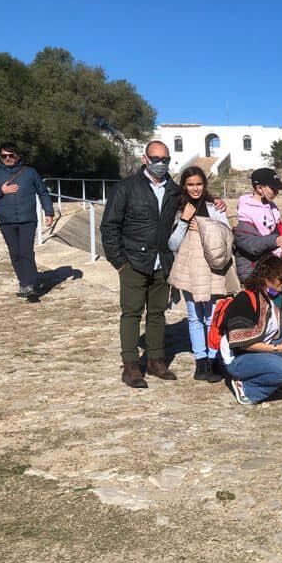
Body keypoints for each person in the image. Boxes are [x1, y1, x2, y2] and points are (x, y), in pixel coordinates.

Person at [100, 140, 182, 389]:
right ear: (144, 158)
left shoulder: (174, 190)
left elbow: (196, 203)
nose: (160, 164)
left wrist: (216, 203)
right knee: (132, 313)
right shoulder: (126, 188)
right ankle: (131, 366)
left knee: (157, 313)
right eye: (155, 159)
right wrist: (120, 262)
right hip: (133, 262)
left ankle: (156, 360)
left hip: (162, 261)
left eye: (164, 160)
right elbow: (110, 226)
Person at [167, 166, 240, 382]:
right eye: (190, 184)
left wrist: (211, 229)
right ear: (184, 186)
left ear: (204, 184)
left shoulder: (214, 207)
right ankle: (201, 362)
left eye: (199, 184)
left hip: (213, 269)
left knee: (212, 315)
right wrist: (183, 222)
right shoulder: (179, 209)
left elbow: (228, 238)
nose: (195, 188)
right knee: (194, 316)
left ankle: (214, 356)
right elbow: (172, 244)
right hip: (189, 268)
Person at [220, 255, 282, 405]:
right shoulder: (245, 300)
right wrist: (278, 348)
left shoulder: (277, 296)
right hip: (239, 358)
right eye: (281, 278)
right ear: (266, 277)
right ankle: (247, 387)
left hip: (262, 348)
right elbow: (241, 343)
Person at [0, 141, 54, 299]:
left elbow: (43, 192)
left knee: (26, 251)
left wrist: (49, 212)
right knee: (15, 253)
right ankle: (23, 283)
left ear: (17, 155)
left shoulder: (30, 172)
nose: (7, 158)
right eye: (4, 156)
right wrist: (0, 191)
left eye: (10, 155)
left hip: (28, 219)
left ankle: (31, 285)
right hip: (6, 220)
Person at [234, 168, 282, 283]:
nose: (276, 192)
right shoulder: (246, 214)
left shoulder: (272, 209)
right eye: (273, 189)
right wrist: (274, 241)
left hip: (273, 270)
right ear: (259, 188)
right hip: (255, 273)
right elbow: (250, 244)